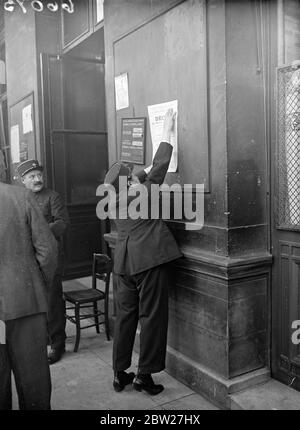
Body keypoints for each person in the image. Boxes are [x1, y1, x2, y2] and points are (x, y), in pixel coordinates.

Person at [104, 108, 182, 395]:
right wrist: (168, 129)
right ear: (131, 182)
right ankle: (144, 376)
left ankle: (120, 373)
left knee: (125, 317)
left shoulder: (114, 200)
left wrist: (136, 175)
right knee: (152, 317)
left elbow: (143, 172)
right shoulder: (143, 192)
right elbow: (160, 163)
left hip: (122, 264)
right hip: (148, 261)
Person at [0, 181, 58, 409]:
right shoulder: (21, 196)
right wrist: (38, 286)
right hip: (25, 302)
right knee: (34, 380)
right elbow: (48, 251)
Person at [17, 159, 70, 365]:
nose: (38, 179)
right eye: (32, 176)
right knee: (34, 303)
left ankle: (58, 344)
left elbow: (63, 223)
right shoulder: (20, 198)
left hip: (50, 260)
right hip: (27, 260)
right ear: (23, 180)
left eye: (39, 175)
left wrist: (38, 232)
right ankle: (42, 340)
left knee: (52, 302)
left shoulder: (52, 197)